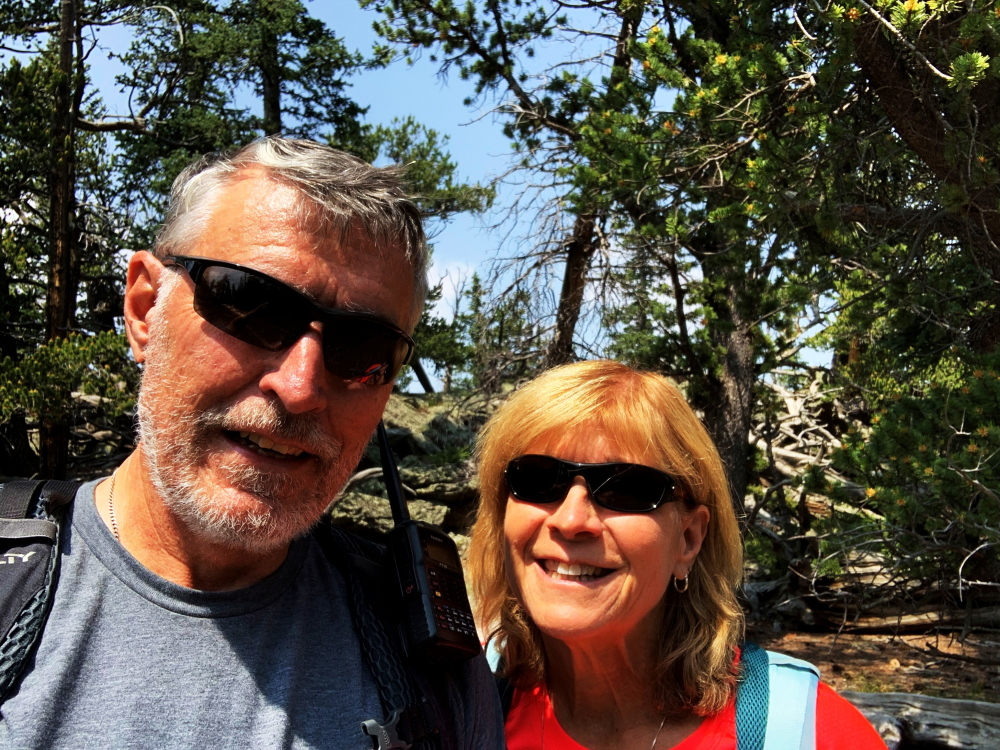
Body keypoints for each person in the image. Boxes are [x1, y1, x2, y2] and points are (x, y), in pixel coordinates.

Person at [0, 138, 503, 749]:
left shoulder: (431, 665)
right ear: (144, 308)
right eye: (251, 305)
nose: (299, 387)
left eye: (363, 349)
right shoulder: (13, 586)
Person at [468, 360, 886, 750]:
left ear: (688, 539)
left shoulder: (812, 732)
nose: (571, 519)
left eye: (626, 488)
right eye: (537, 479)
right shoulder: (460, 700)